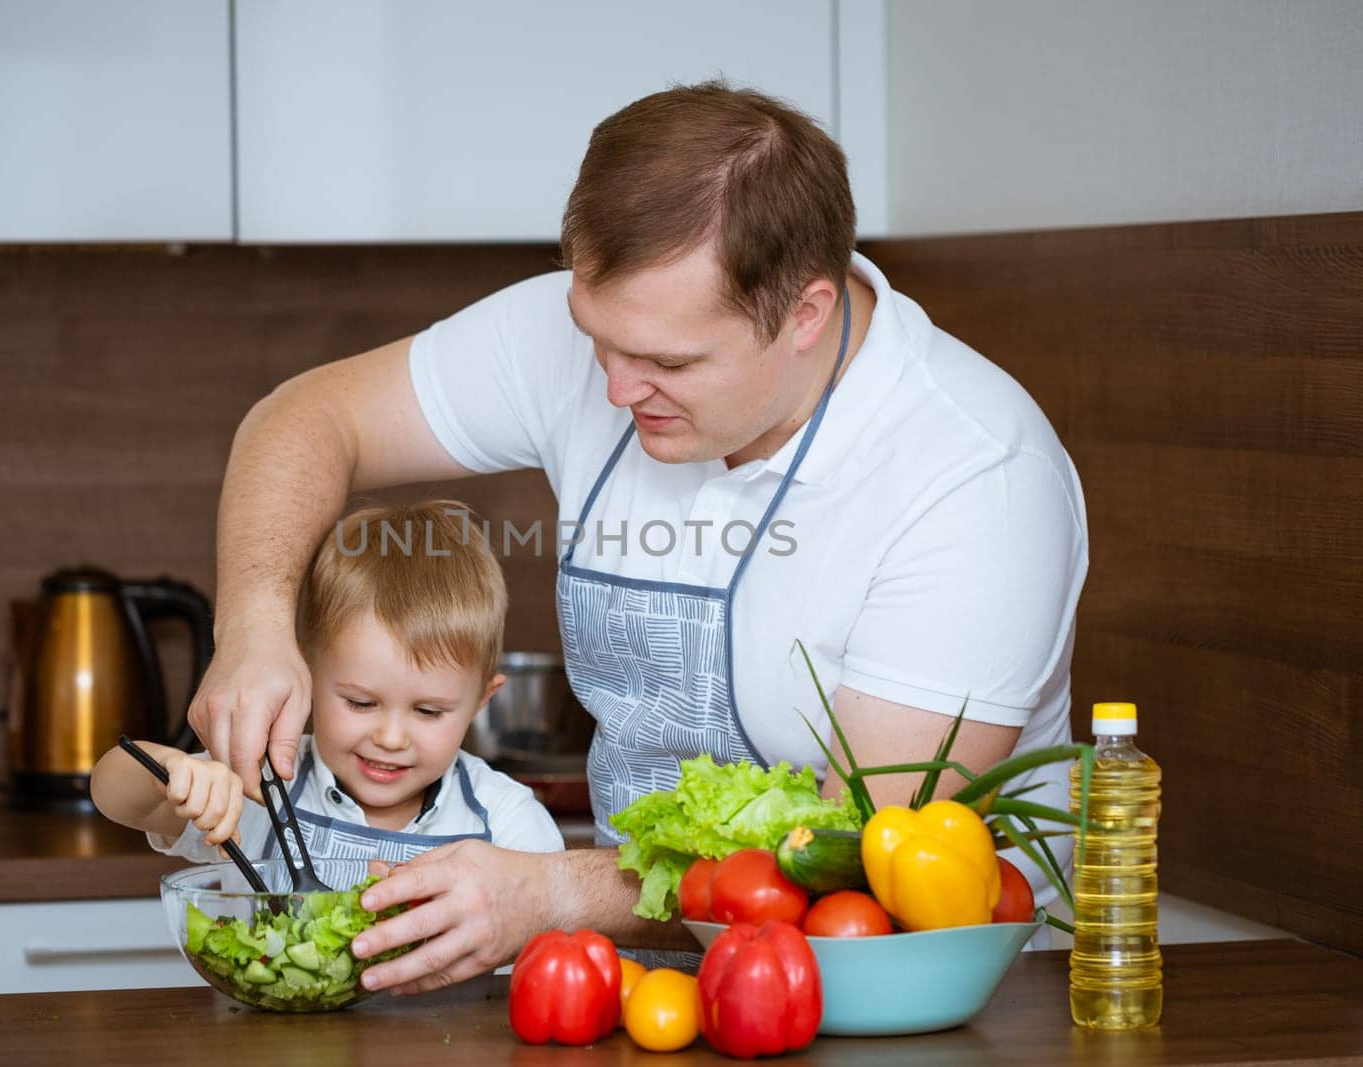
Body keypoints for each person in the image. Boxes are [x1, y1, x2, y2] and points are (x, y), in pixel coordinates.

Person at [189, 81, 1088, 994]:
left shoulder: (977, 476)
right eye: (595, 341)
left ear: (805, 314)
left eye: (667, 364)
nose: (615, 392)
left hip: (917, 1010)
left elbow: (860, 847)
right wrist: (256, 625)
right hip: (645, 995)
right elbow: (303, 418)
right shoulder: (625, 323)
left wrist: (549, 892)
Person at [91, 500, 565, 884]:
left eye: (428, 711)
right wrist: (169, 773)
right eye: (360, 702)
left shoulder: (509, 824)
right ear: (305, 674)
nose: (392, 738)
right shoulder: (262, 787)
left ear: (482, 700)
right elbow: (112, 792)